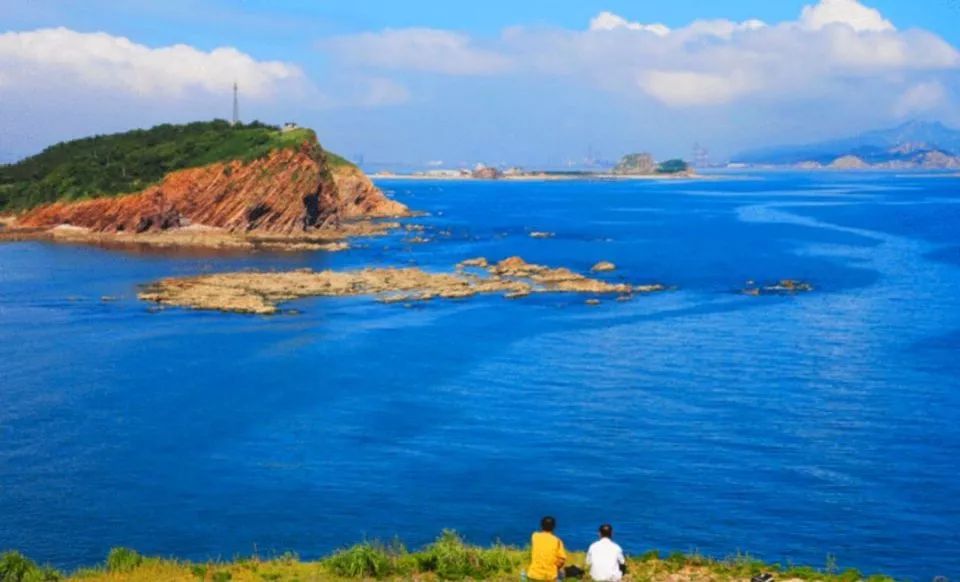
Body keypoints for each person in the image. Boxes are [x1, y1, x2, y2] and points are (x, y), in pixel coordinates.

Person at [527, 516, 567, 581]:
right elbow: (561, 561)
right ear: (554, 527)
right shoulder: (557, 541)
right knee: (562, 573)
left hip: (533, 575)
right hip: (549, 577)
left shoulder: (535, 536)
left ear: (541, 525)